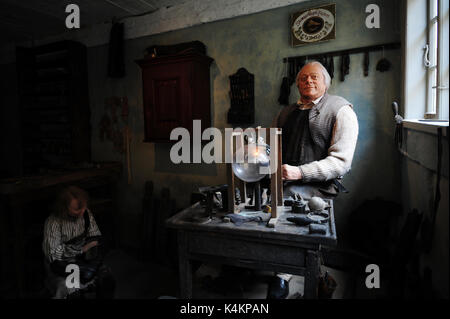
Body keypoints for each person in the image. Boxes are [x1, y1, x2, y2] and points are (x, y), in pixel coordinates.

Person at [268, 61, 359, 299]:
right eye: (303, 78)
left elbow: (341, 162)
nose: (308, 81)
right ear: (297, 83)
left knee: (287, 205)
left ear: (326, 83)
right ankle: (265, 263)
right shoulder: (286, 112)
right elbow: (270, 149)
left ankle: (281, 276)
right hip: (284, 180)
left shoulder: (341, 110)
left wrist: (300, 173)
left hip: (319, 187)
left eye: (315, 77)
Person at [42, 186, 115, 299]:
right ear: (64, 208)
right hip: (63, 262)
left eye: (83, 207)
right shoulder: (53, 222)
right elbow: (53, 254)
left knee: (107, 279)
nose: (82, 212)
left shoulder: (85, 214)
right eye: (77, 209)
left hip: (83, 258)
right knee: (73, 290)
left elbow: (95, 237)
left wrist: (93, 250)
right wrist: (81, 249)